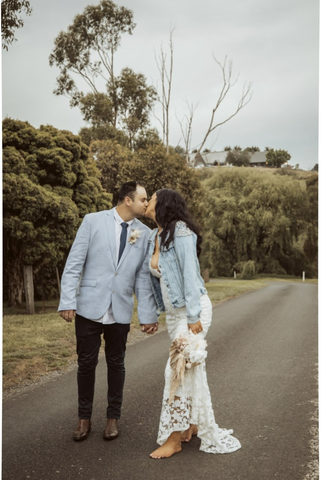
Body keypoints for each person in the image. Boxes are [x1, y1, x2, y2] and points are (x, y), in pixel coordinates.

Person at [144, 188, 241, 459]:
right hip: (174, 314)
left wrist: (194, 316)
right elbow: (153, 279)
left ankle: (173, 439)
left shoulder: (181, 231)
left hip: (193, 310)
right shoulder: (155, 235)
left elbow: (190, 273)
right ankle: (191, 424)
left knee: (175, 370)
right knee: (189, 370)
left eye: (152, 197)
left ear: (162, 204)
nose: (148, 201)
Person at [58, 181, 158, 442]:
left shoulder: (145, 233)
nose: (146, 203)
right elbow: (74, 263)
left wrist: (147, 316)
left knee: (117, 364)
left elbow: (143, 280)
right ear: (127, 200)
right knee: (86, 364)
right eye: (143, 199)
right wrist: (68, 300)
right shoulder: (92, 221)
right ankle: (84, 418)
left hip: (120, 309)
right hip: (89, 307)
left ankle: (113, 418)